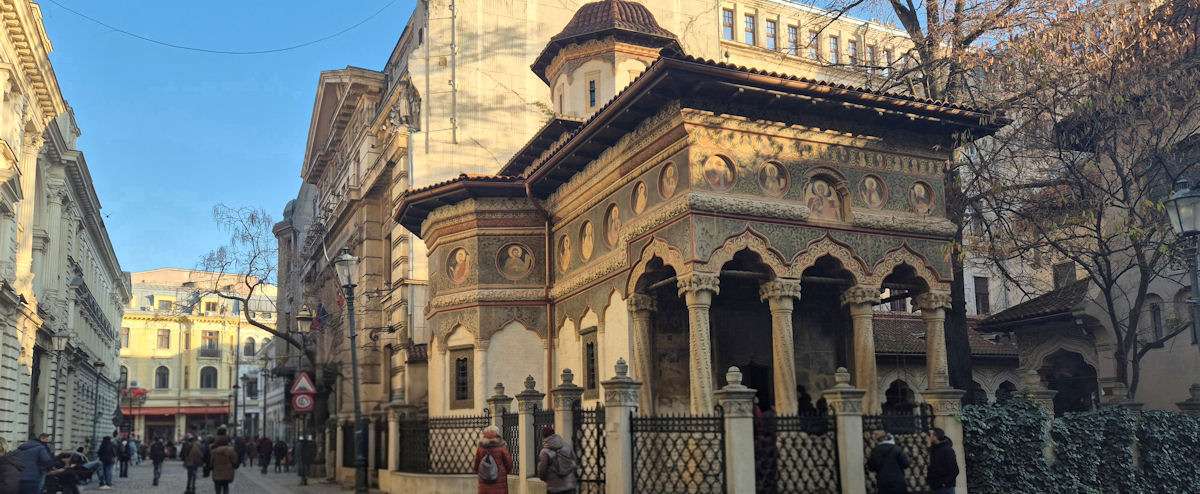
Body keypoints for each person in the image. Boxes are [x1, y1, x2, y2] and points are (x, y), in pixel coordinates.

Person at [535, 426, 577, 494]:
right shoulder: (567, 446)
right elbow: (574, 463)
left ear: (543, 437)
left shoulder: (545, 452)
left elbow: (542, 471)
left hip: (554, 487)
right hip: (570, 486)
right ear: (554, 434)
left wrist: (545, 479)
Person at [473, 425, 513, 494]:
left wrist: (482, 472)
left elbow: (476, 464)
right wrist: (504, 471)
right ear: (497, 434)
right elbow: (509, 463)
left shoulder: (480, 447)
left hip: (484, 482)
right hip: (499, 481)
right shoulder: (501, 446)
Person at [927, 428, 959, 494]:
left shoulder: (947, 450)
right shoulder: (934, 450)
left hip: (945, 488)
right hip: (936, 486)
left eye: (929, 434)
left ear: (936, 436)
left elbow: (954, 470)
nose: (928, 437)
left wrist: (944, 483)